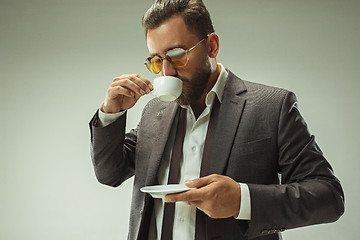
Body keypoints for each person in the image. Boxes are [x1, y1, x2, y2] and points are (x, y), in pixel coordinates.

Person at [89, 0, 344, 239]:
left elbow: (329, 196)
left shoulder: (272, 107)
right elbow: (110, 174)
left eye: (177, 55)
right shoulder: (153, 112)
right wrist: (111, 113)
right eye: (157, 61)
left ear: (211, 46)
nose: (167, 72)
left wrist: (242, 200)